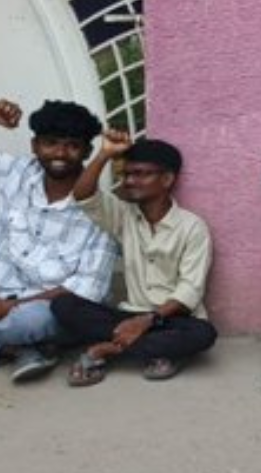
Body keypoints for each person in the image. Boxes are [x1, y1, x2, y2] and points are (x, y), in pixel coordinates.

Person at [0, 99, 117, 381]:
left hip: (44, 312)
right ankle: (11, 350)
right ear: (34, 146)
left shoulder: (101, 213)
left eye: (72, 145)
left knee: (28, 322)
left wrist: (9, 308)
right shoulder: (15, 172)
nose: (60, 153)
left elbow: (84, 291)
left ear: (87, 152)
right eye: (51, 143)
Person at [52, 129, 218, 385]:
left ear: (166, 179)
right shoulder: (123, 215)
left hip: (173, 320)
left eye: (141, 174)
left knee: (204, 334)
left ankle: (105, 350)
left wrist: (146, 321)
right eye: (127, 174)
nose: (129, 181)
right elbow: (83, 195)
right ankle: (156, 352)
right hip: (128, 315)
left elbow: (190, 291)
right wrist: (105, 153)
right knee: (63, 305)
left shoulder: (192, 227)